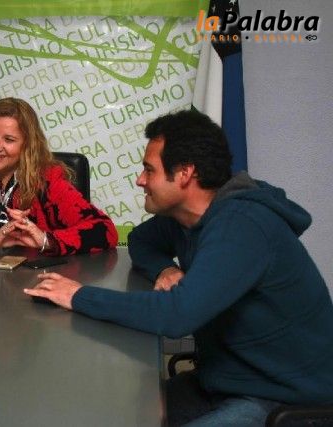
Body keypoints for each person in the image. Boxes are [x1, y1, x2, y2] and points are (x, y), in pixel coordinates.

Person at [24, 110, 333, 426]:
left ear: (185, 173)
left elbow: (176, 315)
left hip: (284, 399)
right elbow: (142, 241)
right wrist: (165, 270)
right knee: (112, 413)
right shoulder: (187, 218)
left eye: (149, 170)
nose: (140, 180)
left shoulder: (242, 225)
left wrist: (78, 296)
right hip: (227, 382)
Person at [0, 97, 117, 255]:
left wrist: (46, 240)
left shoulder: (46, 177)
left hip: (29, 282)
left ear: (27, 145)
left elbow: (104, 230)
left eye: (9, 139)